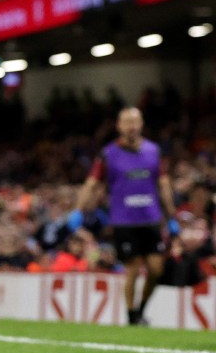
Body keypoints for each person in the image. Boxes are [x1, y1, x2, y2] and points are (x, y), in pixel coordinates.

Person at [69, 106, 177, 325]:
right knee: (133, 269)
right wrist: (78, 211)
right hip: (124, 220)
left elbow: (163, 184)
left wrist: (172, 216)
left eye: (134, 121)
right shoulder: (108, 154)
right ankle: (131, 317)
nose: (131, 126)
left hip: (151, 218)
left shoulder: (153, 151)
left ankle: (141, 309)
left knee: (157, 269)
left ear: (141, 124)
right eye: (126, 122)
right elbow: (91, 183)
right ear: (119, 126)